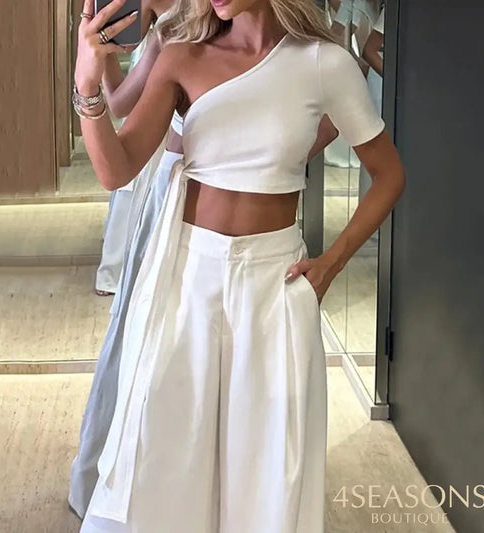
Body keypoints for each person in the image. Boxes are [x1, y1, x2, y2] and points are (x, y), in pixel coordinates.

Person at [73, 0, 405, 530]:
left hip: (274, 282)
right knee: (165, 443)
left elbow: (388, 175)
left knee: (267, 460)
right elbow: (116, 170)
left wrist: (331, 264)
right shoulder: (181, 55)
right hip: (187, 276)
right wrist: (87, 86)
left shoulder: (325, 63)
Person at [69, 8, 184, 518]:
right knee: (145, 329)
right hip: (162, 171)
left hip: (184, 182)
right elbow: (117, 103)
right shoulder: (173, 31)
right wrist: (105, 58)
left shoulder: (180, 27)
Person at [94, 0, 176, 296]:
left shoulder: (169, 26)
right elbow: (125, 43)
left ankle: (123, 274)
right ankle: (123, 271)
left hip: (166, 114)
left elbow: (118, 102)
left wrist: (100, 51)